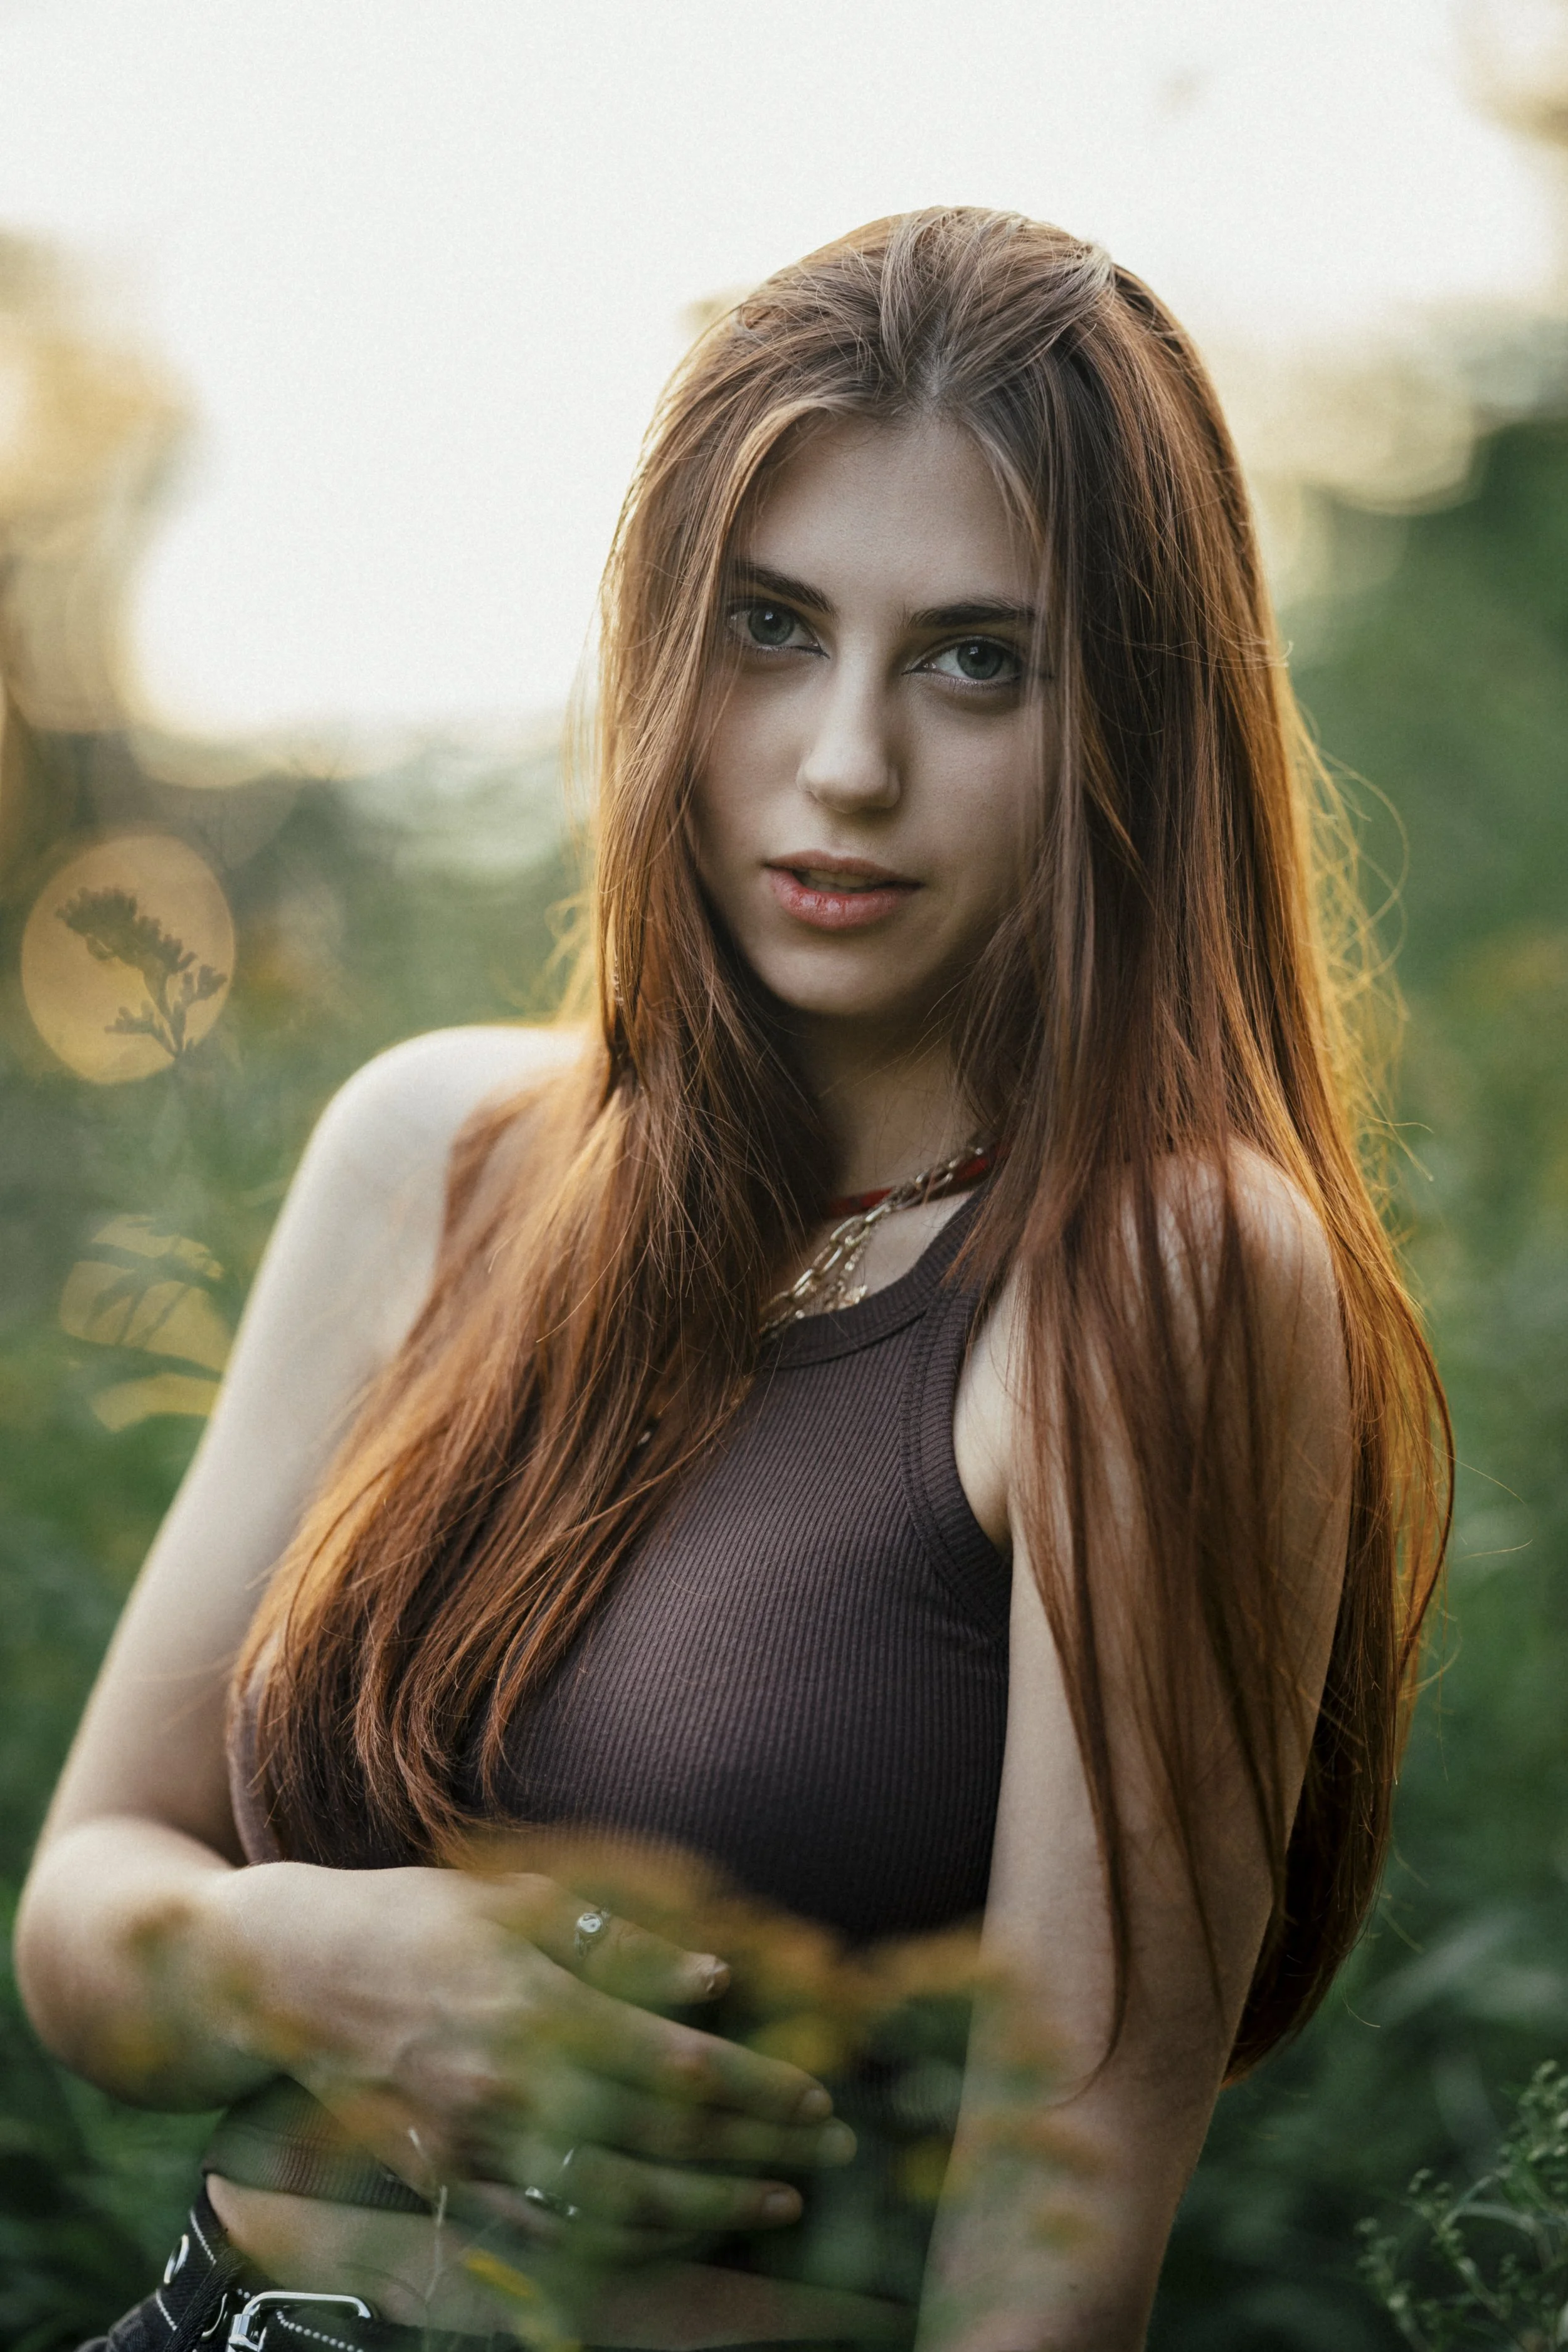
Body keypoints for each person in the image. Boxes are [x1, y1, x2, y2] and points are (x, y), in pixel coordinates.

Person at [15, 208, 1449, 2351]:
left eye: (974, 660)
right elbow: (84, 1912)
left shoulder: (1158, 1279)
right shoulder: (435, 1155)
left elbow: (1054, 2248)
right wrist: (327, 1959)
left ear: (1132, 725)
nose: (846, 759)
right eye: (771, 628)